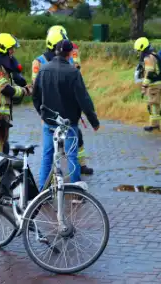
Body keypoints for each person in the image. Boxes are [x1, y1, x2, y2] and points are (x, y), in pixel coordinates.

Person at [32, 39, 99, 191]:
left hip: (49, 122)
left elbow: (35, 96)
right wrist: (93, 121)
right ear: (69, 54)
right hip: (69, 123)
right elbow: (83, 99)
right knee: (71, 156)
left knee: (47, 156)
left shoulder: (43, 70)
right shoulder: (73, 72)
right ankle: (76, 192)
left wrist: (43, 114)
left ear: (56, 51)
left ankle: (42, 190)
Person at [0, 33, 31, 154]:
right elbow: (5, 89)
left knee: (4, 146)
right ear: (3, 48)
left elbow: (10, 86)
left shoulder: (2, 67)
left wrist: (23, 86)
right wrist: (23, 91)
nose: (13, 51)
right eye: (11, 48)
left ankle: (3, 171)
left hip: (2, 113)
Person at [133, 37, 161, 132]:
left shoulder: (148, 58)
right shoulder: (153, 55)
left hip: (155, 85)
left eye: (138, 50)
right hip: (159, 83)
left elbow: (149, 73)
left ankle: (154, 126)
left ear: (142, 48)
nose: (138, 53)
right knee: (154, 103)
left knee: (153, 105)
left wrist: (144, 86)